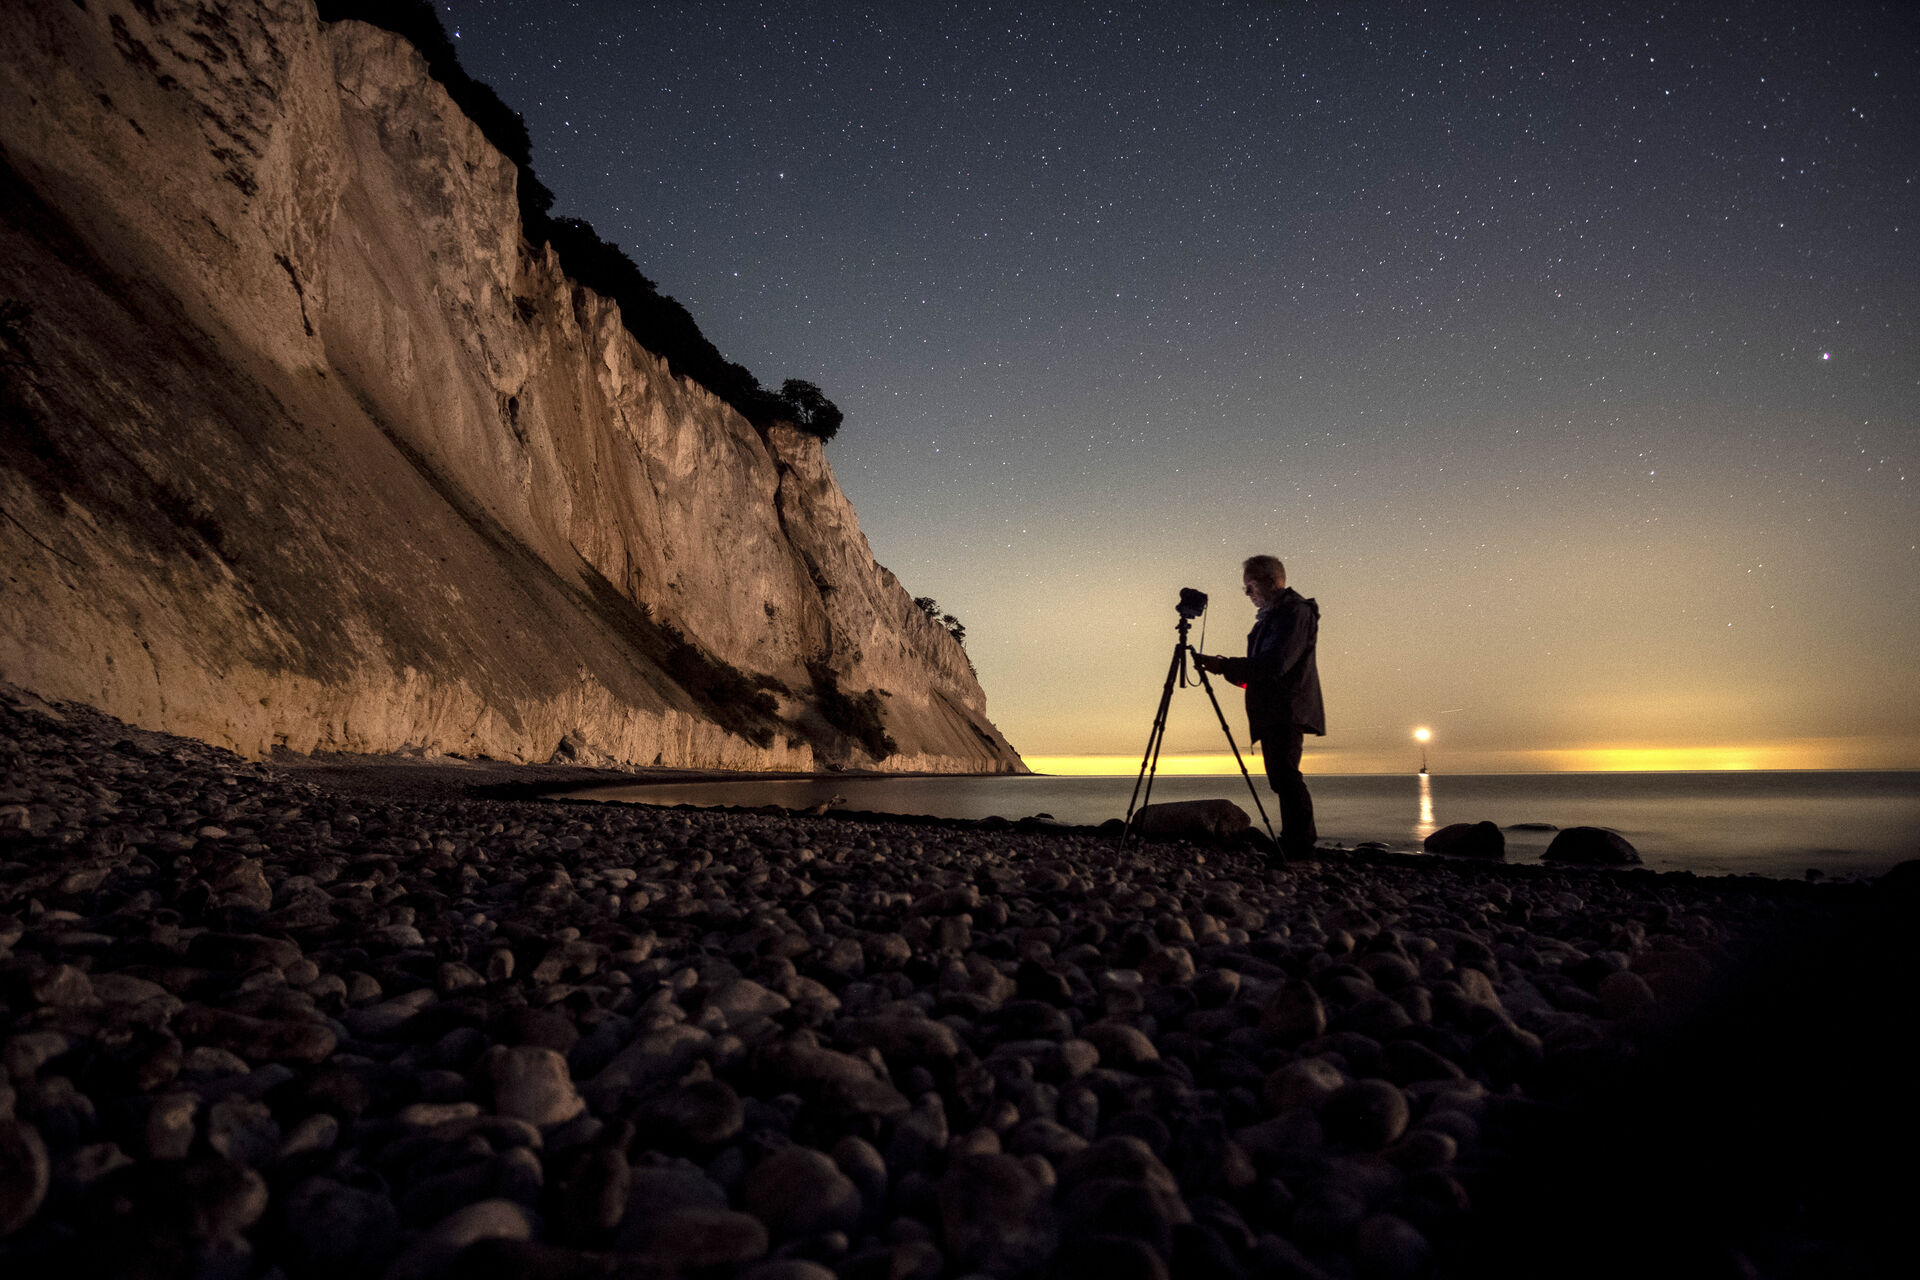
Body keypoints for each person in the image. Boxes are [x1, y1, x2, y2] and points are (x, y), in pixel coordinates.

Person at [1195, 555, 1324, 861]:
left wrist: (1225, 666)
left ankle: (1300, 848)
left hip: (1286, 708)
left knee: (1286, 777)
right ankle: (1294, 843)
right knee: (1282, 777)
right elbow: (1259, 672)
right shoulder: (1275, 616)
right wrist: (1225, 669)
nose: (1247, 594)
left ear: (1270, 581)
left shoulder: (1293, 612)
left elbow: (1274, 665)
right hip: (1275, 708)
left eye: (1249, 586)